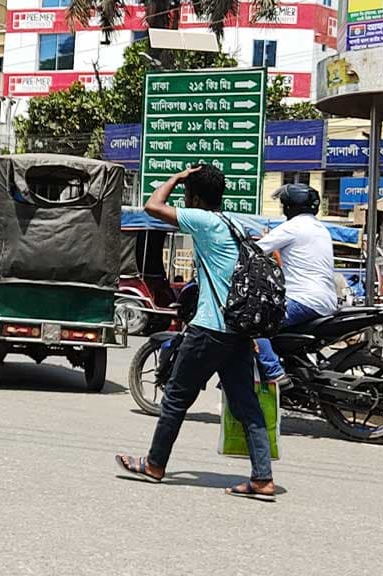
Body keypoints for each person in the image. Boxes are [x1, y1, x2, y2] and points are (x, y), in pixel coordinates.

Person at [115, 164, 276, 501]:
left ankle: (155, 464)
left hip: (210, 328)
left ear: (195, 196)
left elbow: (153, 207)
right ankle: (262, 478)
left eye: (188, 194)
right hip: (238, 330)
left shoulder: (204, 220)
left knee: (175, 396)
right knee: (246, 403)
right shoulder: (234, 222)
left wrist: (174, 179)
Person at [254, 184, 338, 387]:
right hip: (323, 299)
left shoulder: (292, 227)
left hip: (303, 299)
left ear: (289, 207)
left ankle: (274, 373)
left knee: (252, 323)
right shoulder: (320, 228)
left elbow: (254, 250)